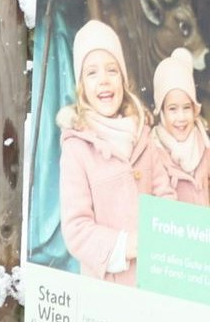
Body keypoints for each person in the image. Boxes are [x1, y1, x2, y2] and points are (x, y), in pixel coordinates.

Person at [55, 19, 147, 285]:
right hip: (109, 288)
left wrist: (167, 232)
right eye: (92, 73)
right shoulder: (76, 148)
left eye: (112, 70)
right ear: (81, 85)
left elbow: (165, 194)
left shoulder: (143, 134)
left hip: (153, 281)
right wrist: (126, 245)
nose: (104, 80)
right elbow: (76, 229)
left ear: (123, 79)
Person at [131, 48, 210, 214]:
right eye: (173, 109)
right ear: (162, 112)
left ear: (195, 109)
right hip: (174, 227)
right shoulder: (154, 152)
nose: (181, 117)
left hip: (203, 227)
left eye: (186, 108)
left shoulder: (200, 144)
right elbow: (158, 200)